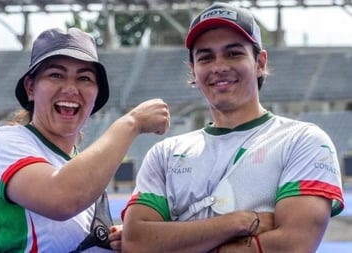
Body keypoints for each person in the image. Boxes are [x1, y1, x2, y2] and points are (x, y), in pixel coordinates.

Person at [121, 2, 345, 253]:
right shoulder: (164, 153)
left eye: (233, 53)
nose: (219, 67)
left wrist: (176, 238)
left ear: (260, 62)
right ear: (193, 71)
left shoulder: (303, 141)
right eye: (206, 57)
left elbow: (292, 245)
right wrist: (239, 223)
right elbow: (136, 242)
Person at [0, 27, 170, 252]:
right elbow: (61, 199)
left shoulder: (83, 173)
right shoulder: (0, 143)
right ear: (30, 88)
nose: (71, 89)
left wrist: (108, 239)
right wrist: (132, 122)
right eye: (56, 75)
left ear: (96, 95)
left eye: (84, 78)